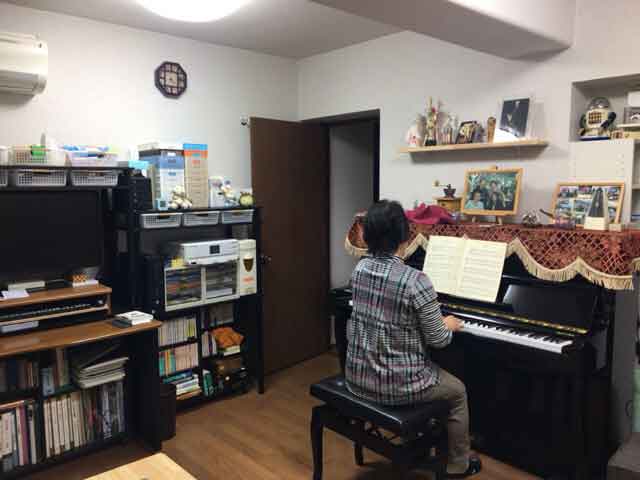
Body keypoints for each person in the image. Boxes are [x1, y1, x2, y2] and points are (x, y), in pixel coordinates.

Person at [346, 200, 482, 478]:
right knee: (457, 391)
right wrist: (447, 324)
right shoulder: (415, 280)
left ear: (368, 236)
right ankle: (459, 464)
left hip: (358, 377)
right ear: (405, 236)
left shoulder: (360, 269)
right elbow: (439, 340)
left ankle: (422, 438)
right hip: (398, 385)